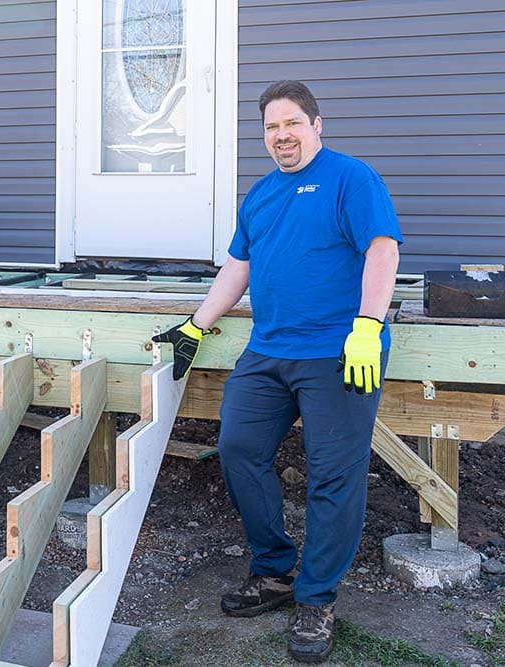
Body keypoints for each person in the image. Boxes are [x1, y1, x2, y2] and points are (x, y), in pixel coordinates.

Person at [153, 80, 401, 663]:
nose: (281, 135)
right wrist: (195, 324)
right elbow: (238, 267)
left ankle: (316, 599)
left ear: (317, 124)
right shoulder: (261, 195)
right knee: (238, 448)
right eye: (271, 127)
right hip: (267, 351)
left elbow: (382, 250)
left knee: (332, 475)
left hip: (340, 352)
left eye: (292, 123)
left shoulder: (351, 177)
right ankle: (274, 571)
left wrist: (367, 327)